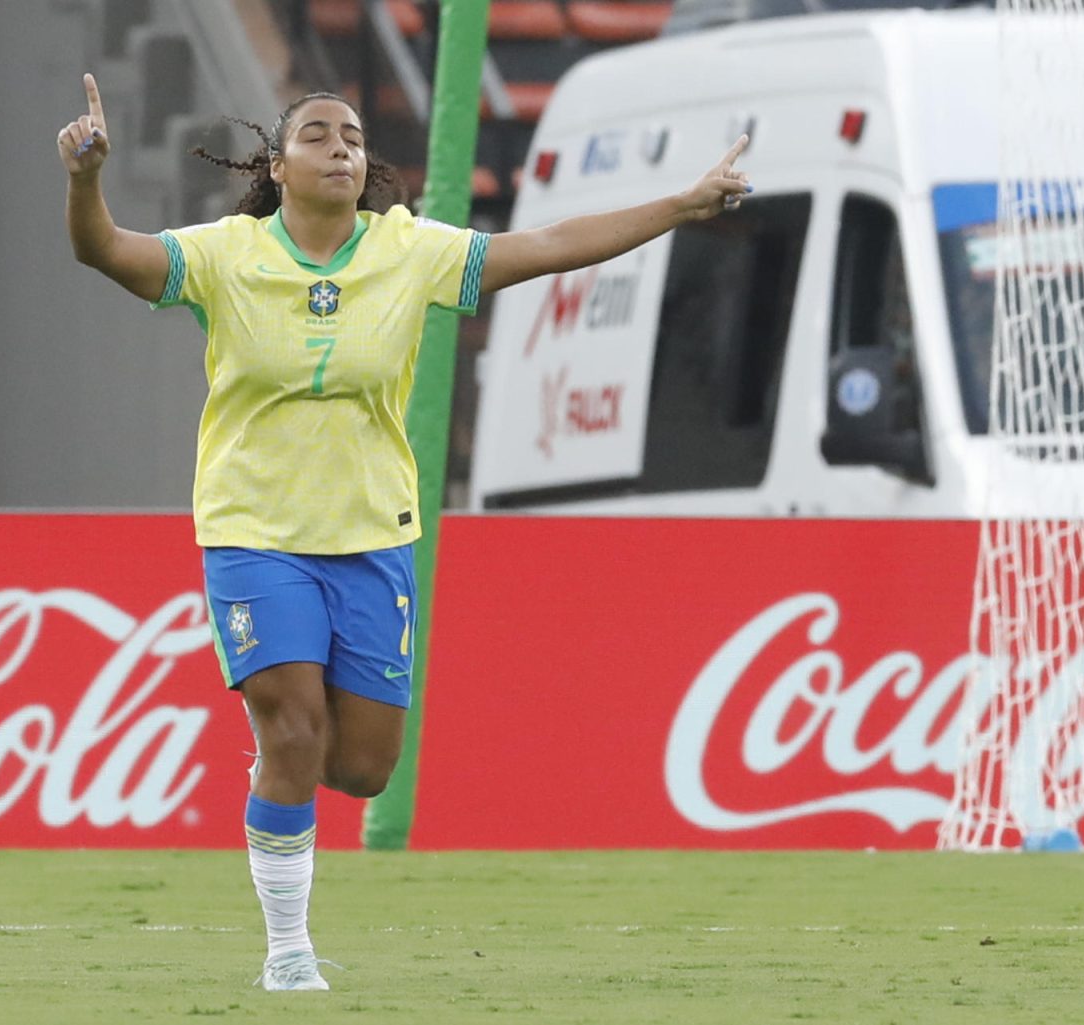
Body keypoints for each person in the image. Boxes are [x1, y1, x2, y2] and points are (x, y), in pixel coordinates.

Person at [58, 73, 750, 992]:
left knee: (365, 769)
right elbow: (103, 249)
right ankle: (288, 950)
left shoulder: (409, 251)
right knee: (294, 726)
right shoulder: (224, 256)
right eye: (317, 134)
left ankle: (282, 766)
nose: (341, 147)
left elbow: (546, 244)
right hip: (253, 531)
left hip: (372, 536)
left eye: (351, 136)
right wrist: (84, 180)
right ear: (278, 164)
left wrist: (680, 204)